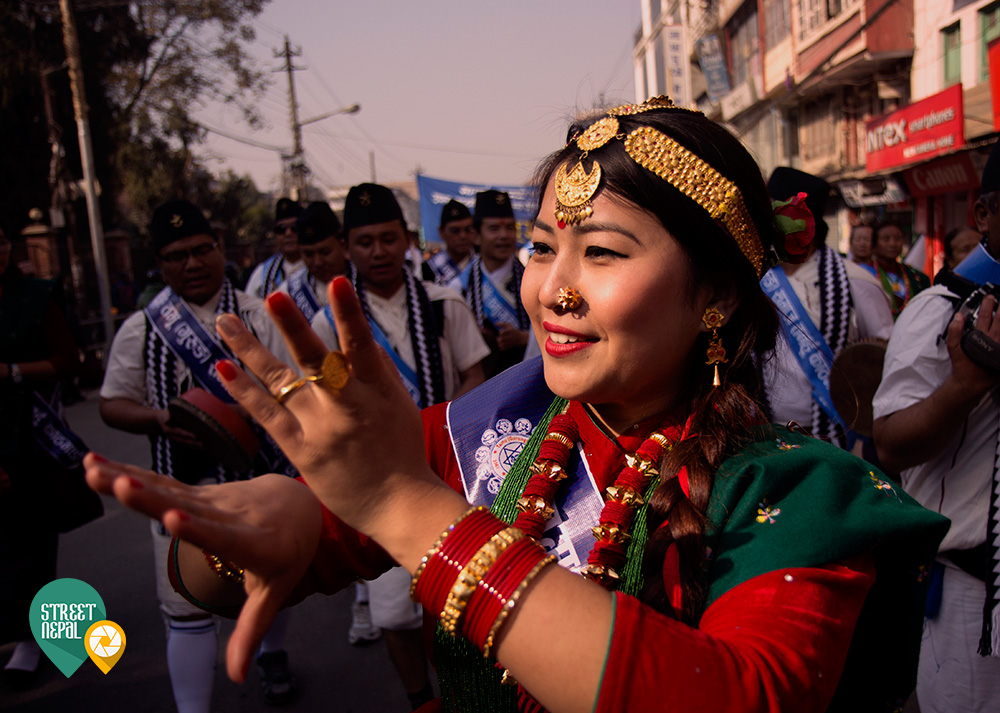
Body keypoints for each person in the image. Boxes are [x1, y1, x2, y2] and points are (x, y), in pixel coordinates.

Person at [87, 97, 948, 713]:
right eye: (542, 249)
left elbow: (738, 694)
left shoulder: (798, 495)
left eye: (602, 252)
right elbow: (252, 559)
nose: (552, 291)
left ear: (715, 294)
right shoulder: (481, 436)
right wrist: (242, 534)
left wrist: (405, 510)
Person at [97, 200, 300, 710]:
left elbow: (298, 390)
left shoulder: (259, 314)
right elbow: (110, 404)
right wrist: (160, 418)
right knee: (184, 605)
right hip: (181, 485)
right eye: (176, 256)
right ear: (160, 265)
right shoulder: (143, 328)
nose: (191, 264)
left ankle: (272, 654)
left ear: (220, 250)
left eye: (201, 250)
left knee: (271, 580)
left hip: (261, 480)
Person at [312, 182, 488, 709]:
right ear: (347, 247)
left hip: (448, 474)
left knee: (453, 603)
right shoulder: (328, 323)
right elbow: (329, 403)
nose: (379, 252)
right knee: (391, 612)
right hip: (380, 484)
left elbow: (475, 376)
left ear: (408, 240)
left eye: (389, 239)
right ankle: (421, 700)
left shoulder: (442, 303)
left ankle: (459, 693)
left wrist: (433, 436)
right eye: (365, 242)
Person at [873, 142, 1000, 712]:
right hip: (974, 594)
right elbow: (891, 445)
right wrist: (965, 385)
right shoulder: (940, 308)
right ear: (983, 216)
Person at [0, 227, 82, 686]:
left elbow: (68, 361)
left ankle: (35, 639)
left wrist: (11, 371)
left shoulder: (33, 297)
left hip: (27, 434)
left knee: (30, 539)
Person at [762, 168, 893, 447]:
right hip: (764, 435)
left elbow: (887, 354)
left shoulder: (855, 281)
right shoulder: (755, 277)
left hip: (836, 438)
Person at [450, 190, 531, 377]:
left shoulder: (533, 282)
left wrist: (524, 338)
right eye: (494, 229)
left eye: (510, 228)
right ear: (476, 235)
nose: (504, 235)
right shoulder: (458, 288)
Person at [277, 201, 348, 323]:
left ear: (343, 246)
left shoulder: (367, 282)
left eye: (325, 252)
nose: (318, 262)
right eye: (309, 254)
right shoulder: (289, 294)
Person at [860, 221, 930, 318]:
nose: (893, 244)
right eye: (886, 239)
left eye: (897, 239)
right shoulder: (864, 274)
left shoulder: (915, 277)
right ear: (874, 244)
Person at [245, 198, 305, 299]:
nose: (288, 233)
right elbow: (248, 310)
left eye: (294, 227)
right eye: (281, 229)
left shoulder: (318, 267)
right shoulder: (262, 274)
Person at [424, 199, 475, 285]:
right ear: (441, 232)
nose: (463, 236)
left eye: (468, 230)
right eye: (455, 231)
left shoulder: (483, 265)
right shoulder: (427, 270)